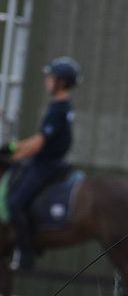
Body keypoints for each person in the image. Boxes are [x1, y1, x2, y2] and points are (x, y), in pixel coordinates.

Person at [1, 56, 81, 271]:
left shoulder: (58, 109)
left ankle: (26, 252)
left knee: (15, 203)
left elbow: (38, 144)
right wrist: (12, 149)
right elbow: (37, 140)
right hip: (45, 161)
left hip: (46, 165)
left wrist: (12, 153)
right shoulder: (60, 106)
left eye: (51, 77)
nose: (47, 81)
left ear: (61, 82)